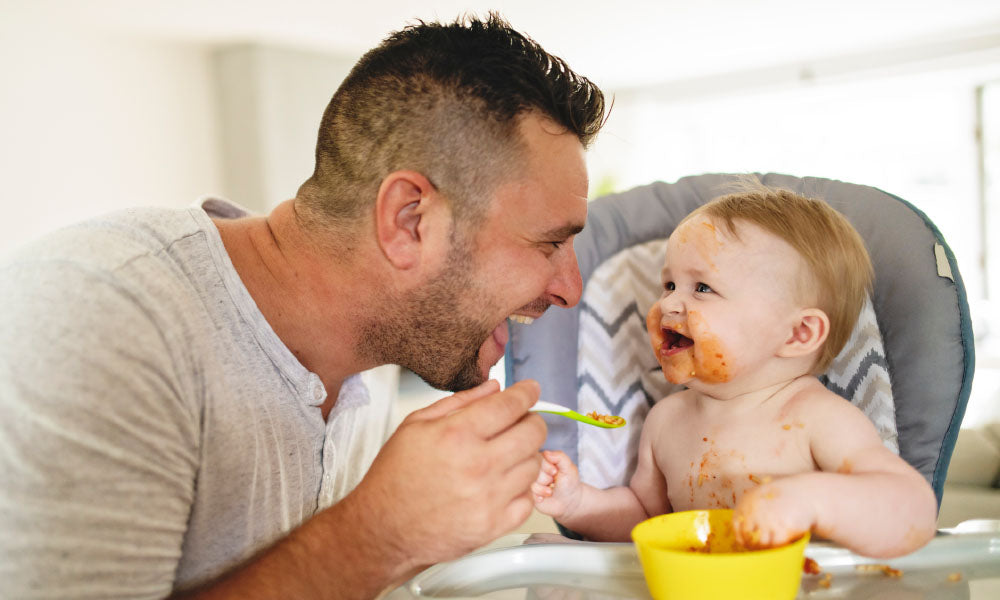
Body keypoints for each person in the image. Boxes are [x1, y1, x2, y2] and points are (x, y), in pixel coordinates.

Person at [0, 14, 607, 599]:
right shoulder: (99, 319)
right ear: (409, 221)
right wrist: (376, 535)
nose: (569, 288)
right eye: (550, 242)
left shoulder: (366, 360)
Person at [532, 183, 938, 558]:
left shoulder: (816, 419)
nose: (669, 305)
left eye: (702, 288)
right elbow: (646, 522)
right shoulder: (666, 421)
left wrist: (811, 502)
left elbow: (914, 510)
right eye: (669, 285)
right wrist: (579, 504)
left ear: (798, 333)